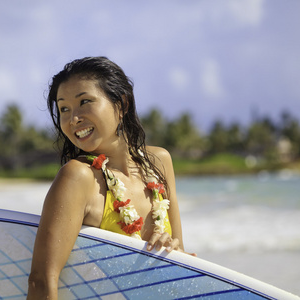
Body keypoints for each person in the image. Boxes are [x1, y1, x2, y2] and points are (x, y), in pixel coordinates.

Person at [27, 57, 194, 299]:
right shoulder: (77, 177)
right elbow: (41, 280)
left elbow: (182, 267)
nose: (73, 119)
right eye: (64, 109)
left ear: (121, 104)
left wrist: (174, 251)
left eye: (84, 102)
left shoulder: (160, 163)